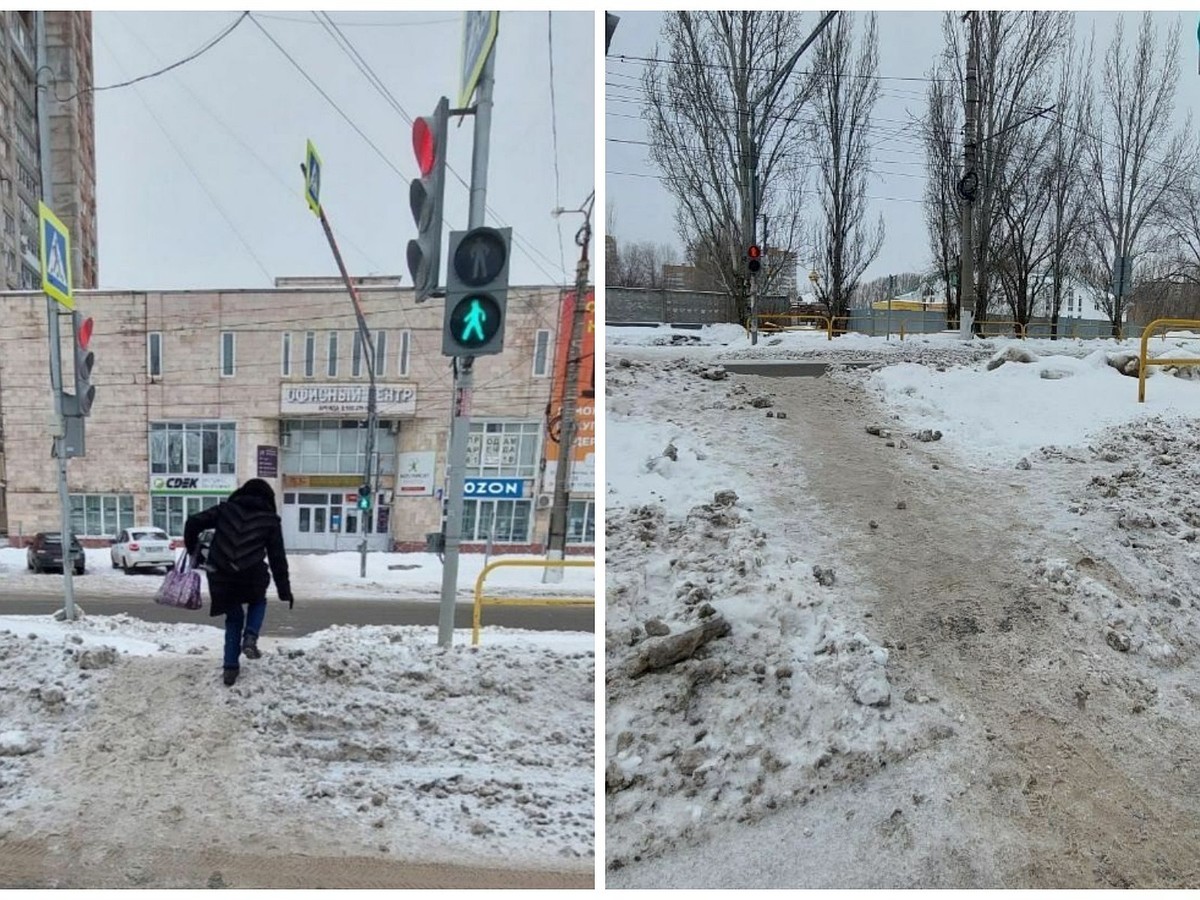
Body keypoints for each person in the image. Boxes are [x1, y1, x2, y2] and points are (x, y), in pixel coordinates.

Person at [184, 478, 294, 686]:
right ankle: (251, 636)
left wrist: (194, 552)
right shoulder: (270, 520)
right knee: (258, 601)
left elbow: (193, 522)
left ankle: (230, 669)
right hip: (251, 574)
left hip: (221, 574)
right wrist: (284, 590)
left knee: (233, 617)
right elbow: (277, 557)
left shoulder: (225, 510)